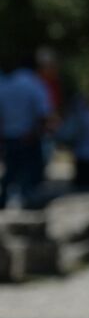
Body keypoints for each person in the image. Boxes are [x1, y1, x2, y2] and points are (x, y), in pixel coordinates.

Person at [0, 52, 52, 208]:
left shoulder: (7, 83)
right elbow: (43, 114)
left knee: (11, 171)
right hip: (28, 137)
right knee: (29, 175)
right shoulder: (36, 84)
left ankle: (4, 201)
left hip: (9, 135)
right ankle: (27, 204)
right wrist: (38, 132)